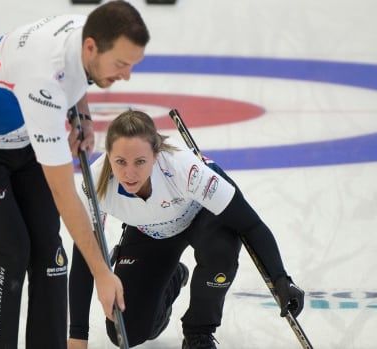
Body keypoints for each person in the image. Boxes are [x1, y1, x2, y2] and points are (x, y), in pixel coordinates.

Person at [0, 2, 150, 348]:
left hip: (24, 134)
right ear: (92, 47)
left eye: (132, 65)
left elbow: (78, 80)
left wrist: (85, 118)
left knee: (50, 253)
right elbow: (66, 196)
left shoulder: (88, 32)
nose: (126, 75)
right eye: (122, 64)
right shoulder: (44, 80)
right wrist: (102, 274)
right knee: (11, 252)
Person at [67, 110, 305, 349]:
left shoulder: (184, 170)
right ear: (108, 155)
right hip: (150, 230)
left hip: (201, 215)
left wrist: (281, 278)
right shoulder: (95, 183)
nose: (129, 173)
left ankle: (198, 331)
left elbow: (250, 224)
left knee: (221, 253)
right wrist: (78, 336)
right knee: (124, 332)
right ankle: (172, 279)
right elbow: (85, 253)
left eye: (140, 161)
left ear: (156, 154)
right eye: (120, 162)